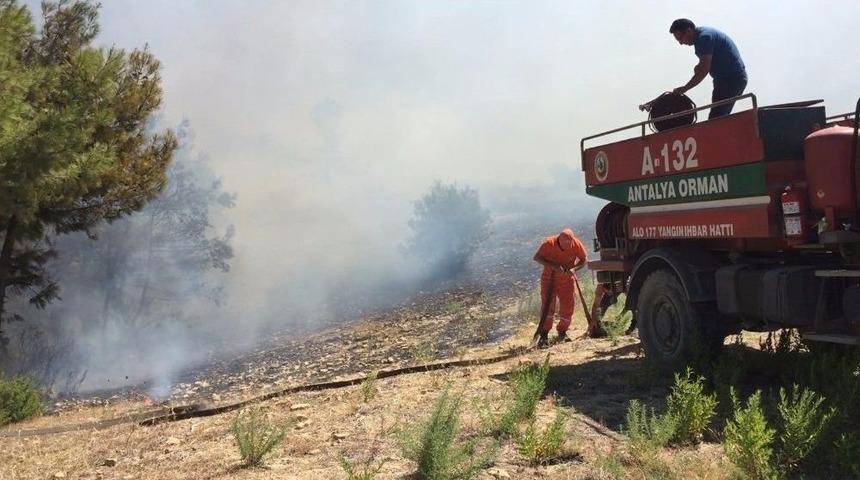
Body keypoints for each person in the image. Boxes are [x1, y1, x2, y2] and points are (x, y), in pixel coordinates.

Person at [669, 18, 747, 119]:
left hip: (731, 79)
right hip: (725, 80)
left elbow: (703, 70)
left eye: (680, 38)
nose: (681, 43)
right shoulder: (703, 35)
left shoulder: (704, 37)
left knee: (716, 119)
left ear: (689, 31)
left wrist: (684, 88)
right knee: (718, 117)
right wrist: (700, 67)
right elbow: (704, 65)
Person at [532, 228, 587, 348]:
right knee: (548, 307)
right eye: (564, 244)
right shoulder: (548, 243)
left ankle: (562, 332)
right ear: (559, 240)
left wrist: (574, 269)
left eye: (569, 243)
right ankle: (544, 335)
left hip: (567, 281)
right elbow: (536, 257)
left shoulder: (576, 244)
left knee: (568, 307)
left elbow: (583, 260)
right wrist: (554, 266)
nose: (567, 246)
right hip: (549, 280)